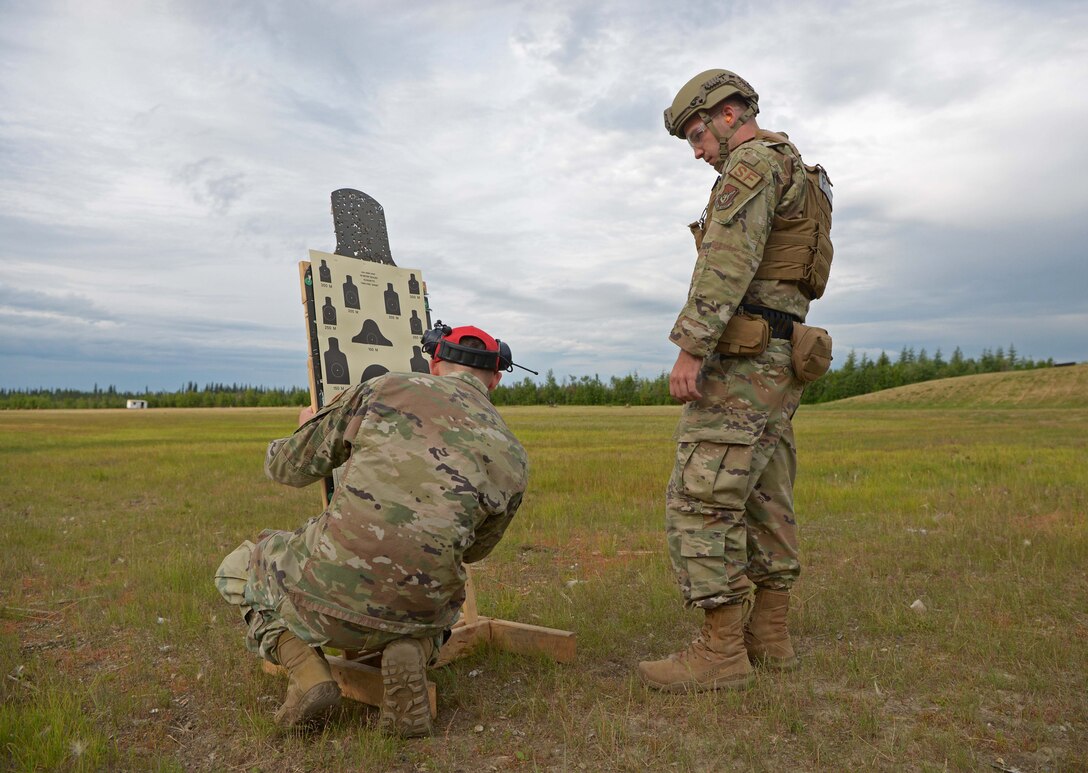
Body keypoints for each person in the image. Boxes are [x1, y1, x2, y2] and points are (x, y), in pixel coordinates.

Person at [214, 323, 529, 736]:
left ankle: (308, 671)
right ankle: (411, 647)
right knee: (442, 592)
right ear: (497, 380)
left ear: (435, 364)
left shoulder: (384, 388)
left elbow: (286, 467)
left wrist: (308, 425)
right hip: (422, 609)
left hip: (327, 594)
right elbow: (474, 552)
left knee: (239, 567)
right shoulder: (513, 454)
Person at [638, 69, 833, 692]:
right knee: (765, 494)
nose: (697, 152)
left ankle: (720, 654)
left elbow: (727, 261)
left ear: (728, 114)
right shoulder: (802, 170)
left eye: (697, 135)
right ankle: (768, 637)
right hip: (784, 354)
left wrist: (691, 349)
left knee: (702, 496)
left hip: (745, 361)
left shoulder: (749, 166)